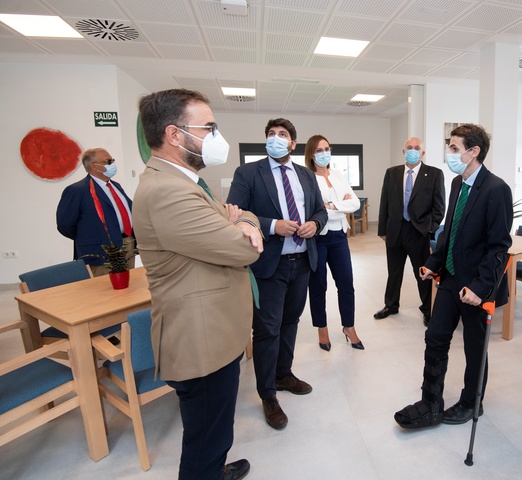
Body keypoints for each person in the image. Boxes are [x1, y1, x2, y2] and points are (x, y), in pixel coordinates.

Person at [134, 89, 263, 480]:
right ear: (175, 135)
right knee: (205, 438)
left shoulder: (182, 182)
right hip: (200, 339)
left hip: (212, 332)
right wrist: (245, 223)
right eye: (208, 128)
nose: (215, 137)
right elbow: (243, 250)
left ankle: (214, 469)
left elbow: (234, 218)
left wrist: (239, 218)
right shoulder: (168, 191)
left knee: (215, 430)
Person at [394, 124, 513, 429]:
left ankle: (473, 403)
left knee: (475, 349)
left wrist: (481, 287)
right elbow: (450, 231)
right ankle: (431, 402)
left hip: (473, 287)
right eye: (450, 147)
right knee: (435, 338)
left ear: (474, 152)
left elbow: (499, 247)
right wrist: (434, 262)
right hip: (449, 279)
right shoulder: (459, 184)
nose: (450, 154)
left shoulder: (496, 189)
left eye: (455, 148)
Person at [227, 118, 328, 430]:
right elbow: (234, 212)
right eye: (271, 134)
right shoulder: (248, 173)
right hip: (269, 264)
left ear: (293, 144)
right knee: (267, 329)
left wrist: (316, 224)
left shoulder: (306, 175)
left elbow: (321, 211)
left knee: (290, 322)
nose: (276, 139)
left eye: (282, 135)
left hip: (302, 262)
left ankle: (283, 373)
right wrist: (272, 225)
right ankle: (267, 393)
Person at [375, 137, 445, 327]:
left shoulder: (434, 174)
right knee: (394, 272)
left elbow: (439, 207)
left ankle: (427, 308)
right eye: (409, 148)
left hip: (418, 232)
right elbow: (385, 202)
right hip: (395, 230)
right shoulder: (392, 173)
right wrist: (382, 229)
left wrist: (430, 229)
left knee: (422, 273)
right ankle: (391, 305)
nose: (413, 151)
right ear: (403, 151)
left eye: (417, 148)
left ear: (423, 153)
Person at [304, 134, 363, 351]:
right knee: (318, 286)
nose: (324, 153)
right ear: (311, 154)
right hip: (317, 238)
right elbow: (312, 210)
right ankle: (322, 329)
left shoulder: (338, 174)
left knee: (346, 283)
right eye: (319, 150)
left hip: (339, 237)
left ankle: (349, 326)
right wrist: (338, 205)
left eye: (327, 148)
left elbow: (354, 203)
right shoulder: (307, 177)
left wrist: (330, 205)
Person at [56, 148, 135, 276]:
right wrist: (88, 237)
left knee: (128, 287)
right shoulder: (77, 190)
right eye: (108, 161)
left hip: (126, 245)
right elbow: (65, 225)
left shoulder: (116, 186)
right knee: (105, 291)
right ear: (94, 166)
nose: (113, 164)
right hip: (101, 252)